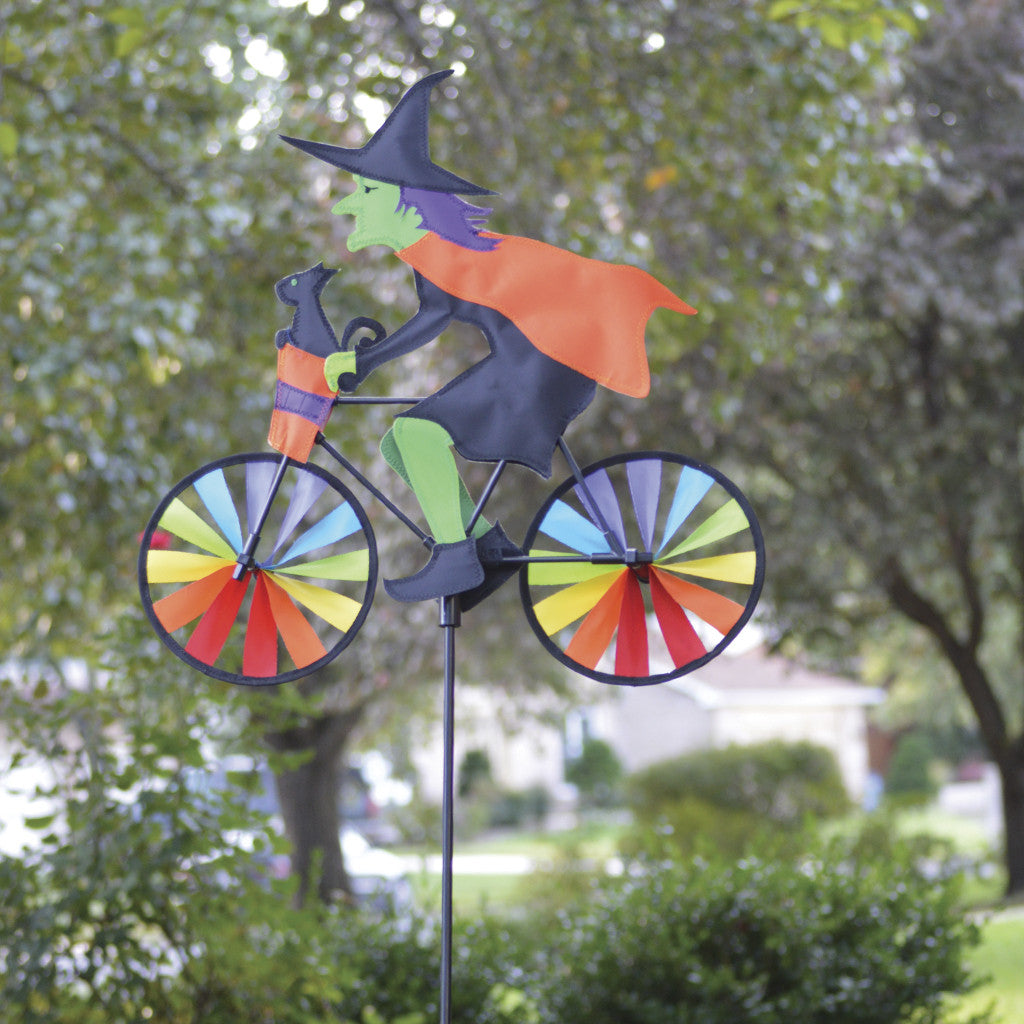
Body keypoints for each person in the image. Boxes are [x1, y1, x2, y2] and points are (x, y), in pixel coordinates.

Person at [282, 70, 695, 604]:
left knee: (415, 434)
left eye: (366, 190)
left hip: (543, 364)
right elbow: (435, 314)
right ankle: (485, 551)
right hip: (532, 360)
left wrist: (362, 363)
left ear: (406, 199)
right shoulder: (439, 254)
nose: (349, 204)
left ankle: (456, 557)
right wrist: (366, 361)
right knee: (398, 442)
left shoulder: (448, 254)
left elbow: (434, 317)